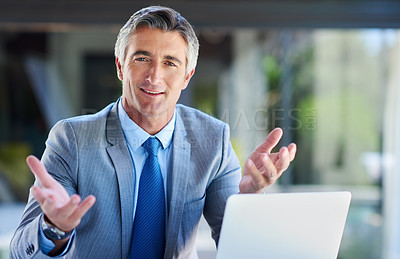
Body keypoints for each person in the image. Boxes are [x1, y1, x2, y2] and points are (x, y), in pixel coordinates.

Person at [10, 5, 296, 259]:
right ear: (121, 67)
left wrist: (248, 198)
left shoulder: (213, 139)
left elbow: (238, 248)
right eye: (142, 58)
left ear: (187, 76)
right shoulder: (71, 140)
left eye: (170, 63)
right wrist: (54, 228)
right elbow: (21, 250)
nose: (155, 76)